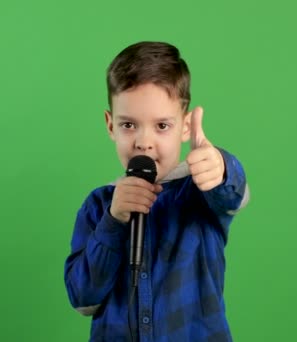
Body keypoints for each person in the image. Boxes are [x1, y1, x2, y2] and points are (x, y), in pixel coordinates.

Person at [64, 41, 250, 341]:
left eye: (162, 125)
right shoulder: (99, 206)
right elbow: (83, 298)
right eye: (129, 125)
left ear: (186, 126)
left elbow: (232, 196)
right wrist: (114, 222)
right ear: (110, 125)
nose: (143, 141)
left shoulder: (199, 191)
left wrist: (221, 167)